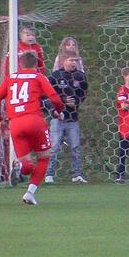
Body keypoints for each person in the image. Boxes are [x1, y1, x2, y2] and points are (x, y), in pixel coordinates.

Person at [0, 51, 63, 205]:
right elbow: (54, 97)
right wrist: (58, 111)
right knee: (44, 157)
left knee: (27, 164)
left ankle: (19, 166)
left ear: (20, 64)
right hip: (35, 120)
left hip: (16, 123)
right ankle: (30, 192)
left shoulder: (10, 78)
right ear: (36, 65)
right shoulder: (38, 77)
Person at [45, 49, 88, 184]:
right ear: (63, 61)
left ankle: (77, 174)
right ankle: (49, 174)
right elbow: (47, 95)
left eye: (76, 60)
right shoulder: (55, 76)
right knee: (54, 146)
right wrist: (63, 100)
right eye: (71, 60)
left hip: (72, 117)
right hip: (57, 117)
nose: (74, 63)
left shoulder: (80, 76)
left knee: (75, 146)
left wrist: (76, 101)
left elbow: (83, 93)